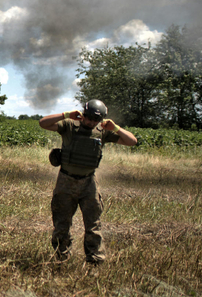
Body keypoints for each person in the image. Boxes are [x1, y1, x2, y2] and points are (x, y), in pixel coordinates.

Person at [39, 99, 137, 264]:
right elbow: (43, 123)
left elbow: (132, 141)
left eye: (95, 120)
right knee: (61, 225)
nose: (91, 122)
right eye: (89, 118)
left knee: (93, 225)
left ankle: (95, 261)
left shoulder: (102, 131)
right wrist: (66, 115)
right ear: (83, 114)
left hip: (88, 184)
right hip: (66, 181)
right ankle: (61, 259)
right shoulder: (70, 126)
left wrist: (116, 128)